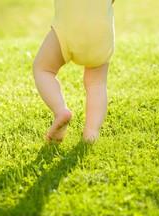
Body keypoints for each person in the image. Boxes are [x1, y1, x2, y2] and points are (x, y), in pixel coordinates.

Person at [33, 0, 115, 143]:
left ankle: (60, 110)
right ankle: (91, 133)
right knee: (96, 85)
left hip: (67, 28)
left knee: (43, 69)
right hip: (100, 31)